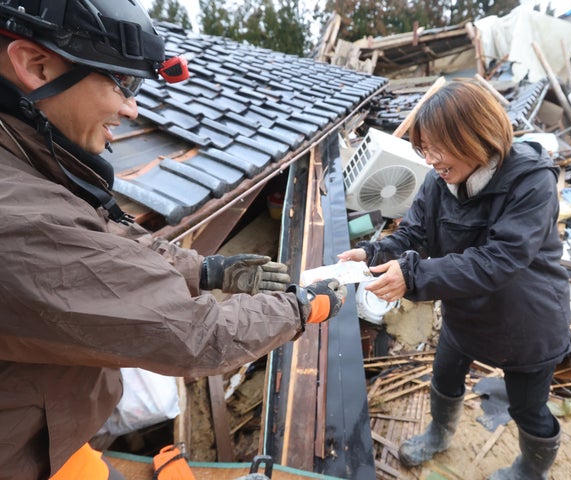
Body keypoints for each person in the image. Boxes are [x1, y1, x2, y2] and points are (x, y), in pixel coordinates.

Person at [0, 2, 346, 479]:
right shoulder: (16, 219)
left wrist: (204, 270)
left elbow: (97, 235)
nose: (132, 109)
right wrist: (304, 308)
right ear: (35, 65)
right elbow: (192, 335)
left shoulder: (23, 157)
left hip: (44, 435)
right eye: (124, 84)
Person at [338, 80, 571, 479]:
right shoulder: (438, 180)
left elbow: (500, 259)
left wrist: (412, 275)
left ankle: (531, 472)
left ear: (475, 136)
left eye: (437, 148)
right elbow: (415, 233)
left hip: (527, 318)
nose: (429, 159)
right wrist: (375, 252)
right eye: (423, 149)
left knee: (526, 407)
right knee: (445, 376)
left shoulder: (532, 181)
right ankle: (438, 433)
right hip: (466, 309)